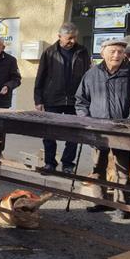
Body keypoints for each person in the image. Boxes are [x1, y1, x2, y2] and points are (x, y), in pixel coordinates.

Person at [75, 39, 130, 219]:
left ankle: (121, 204)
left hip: (122, 130)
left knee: (122, 170)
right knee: (98, 167)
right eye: (113, 51)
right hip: (98, 129)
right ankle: (100, 201)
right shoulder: (91, 74)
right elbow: (81, 101)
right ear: (103, 53)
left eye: (120, 51)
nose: (116, 55)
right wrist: (86, 121)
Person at [34, 22, 91, 174]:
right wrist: (38, 100)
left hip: (75, 100)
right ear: (60, 37)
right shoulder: (49, 52)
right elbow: (41, 77)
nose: (72, 41)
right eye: (69, 38)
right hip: (52, 98)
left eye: (74, 38)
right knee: (49, 133)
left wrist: (88, 98)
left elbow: (87, 76)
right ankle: (50, 163)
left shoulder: (82, 51)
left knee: (73, 134)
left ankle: (67, 164)